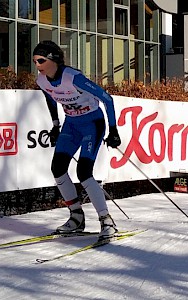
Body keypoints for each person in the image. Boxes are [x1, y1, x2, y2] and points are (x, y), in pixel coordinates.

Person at [33, 40, 121, 240]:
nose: (37, 66)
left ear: (53, 60)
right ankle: (76, 217)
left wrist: (114, 130)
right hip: (71, 125)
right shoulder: (42, 81)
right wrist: (56, 125)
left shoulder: (73, 78)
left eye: (41, 60)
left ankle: (106, 220)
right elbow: (49, 98)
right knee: (58, 168)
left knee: (83, 172)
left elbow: (107, 99)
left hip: (92, 124)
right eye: (35, 61)